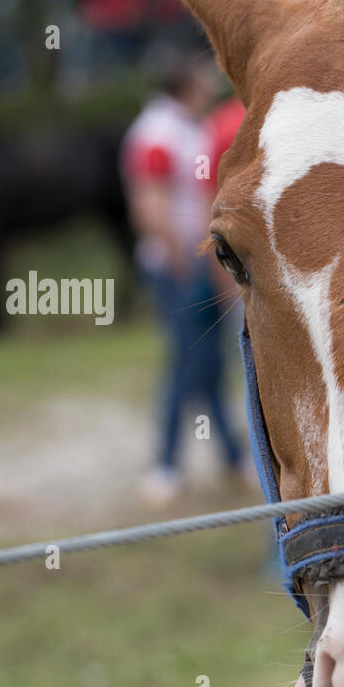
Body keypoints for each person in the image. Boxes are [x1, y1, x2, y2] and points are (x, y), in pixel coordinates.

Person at [121, 55, 248, 506]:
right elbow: (149, 204)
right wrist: (180, 259)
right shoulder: (158, 133)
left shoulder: (186, 127)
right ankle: (166, 465)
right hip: (179, 265)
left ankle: (232, 457)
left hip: (197, 263)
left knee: (209, 365)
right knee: (186, 366)